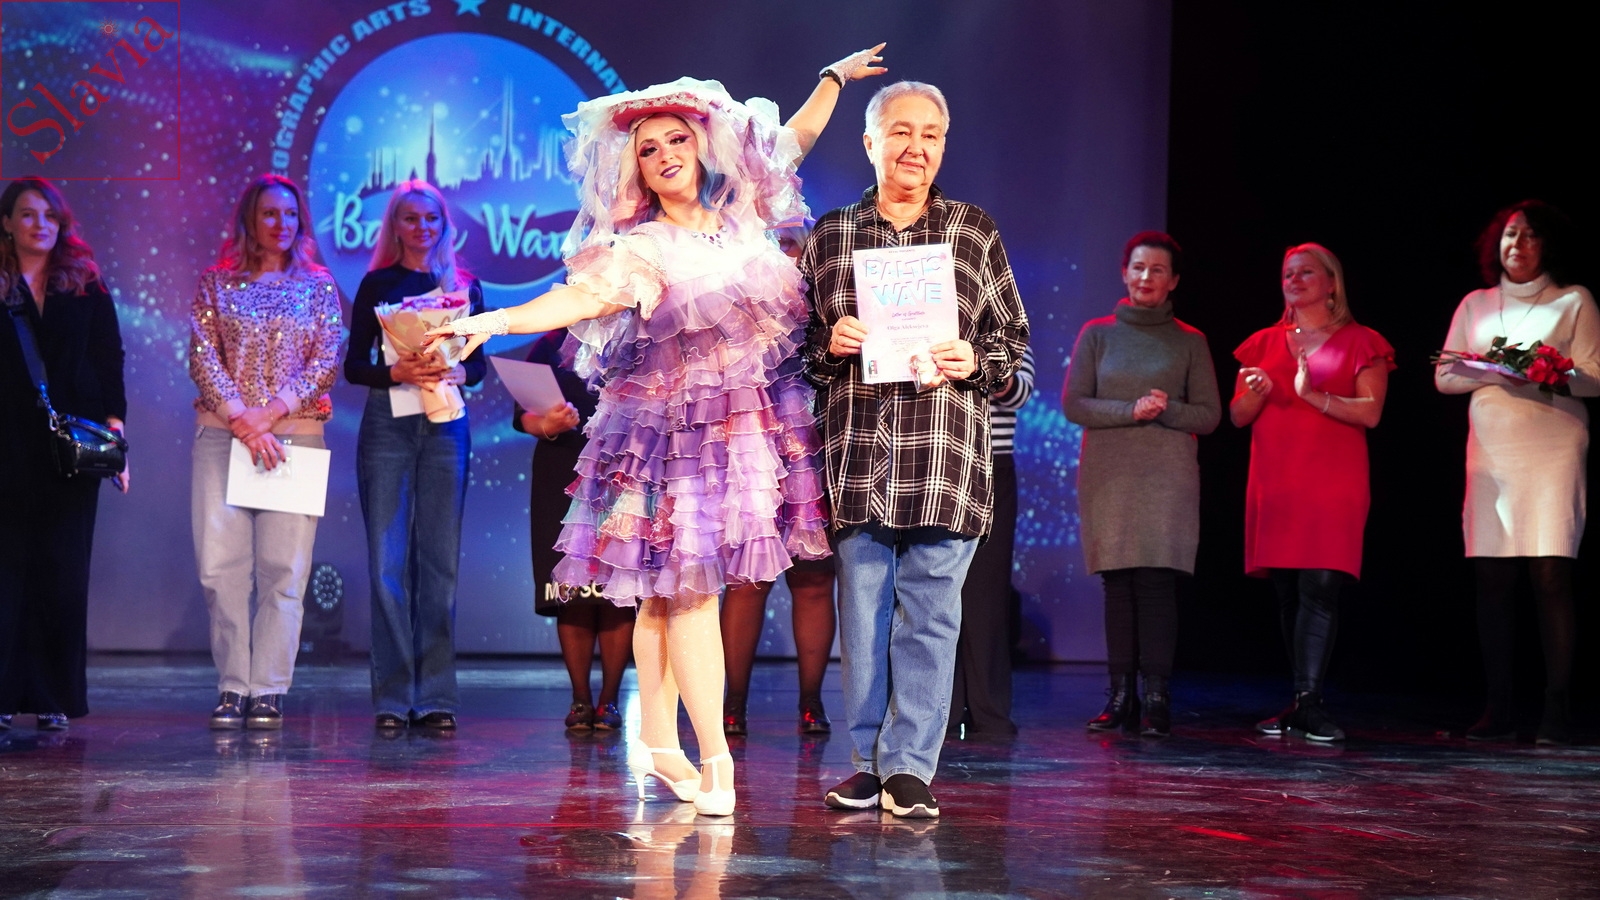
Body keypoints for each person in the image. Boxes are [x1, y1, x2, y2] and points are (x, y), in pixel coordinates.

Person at [429, 48, 887, 816]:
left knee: (665, 598)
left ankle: (658, 737)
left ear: (702, 145)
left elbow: (794, 140)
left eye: (677, 139)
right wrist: (494, 321)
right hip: (665, 442)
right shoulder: (643, 247)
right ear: (635, 169)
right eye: (648, 149)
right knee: (685, 593)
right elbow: (576, 300)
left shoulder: (742, 216)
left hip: (741, 433)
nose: (666, 154)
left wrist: (831, 79)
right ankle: (716, 763)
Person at [802, 81, 1029, 818]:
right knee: (864, 618)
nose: (916, 147)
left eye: (931, 134)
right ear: (870, 143)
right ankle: (866, 765)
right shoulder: (831, 235)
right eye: (901, 131)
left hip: (944, 457)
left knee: (932, 617)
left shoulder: (972, 231)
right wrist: (830, 344)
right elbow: (796, 353)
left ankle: (910, 770)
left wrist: (977, 360)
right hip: (860, 456)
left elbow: (1015, 348)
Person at [1434, 200, 1599, 745]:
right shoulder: (1476, 304)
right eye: (1510, 235)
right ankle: (1498, 708)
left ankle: (1556, 709)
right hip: (1492, 454)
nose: (1518, 245)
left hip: (1553, 446)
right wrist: (1499, 373)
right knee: (1492, 579)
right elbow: (1445, 377)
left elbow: (1595, 378)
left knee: (1550, 575)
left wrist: (1546, 374)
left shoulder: (1574, 300)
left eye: (1530, 236)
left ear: (1547, 245)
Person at [189, 174, 342, 731]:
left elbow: (326, 358)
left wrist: (269, 414)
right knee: (220, 569)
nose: (281, 223)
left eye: (290, 214)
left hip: (295, 436)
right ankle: (233, 685)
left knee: (285, 569)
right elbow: (203, 355)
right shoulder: (217, 282)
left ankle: (269, 688)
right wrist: (244, 420)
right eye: (270, 213)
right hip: (222, 436)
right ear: (249, 220)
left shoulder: (318, 285)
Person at [1231, 242, 1392, 743]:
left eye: (1305, 272)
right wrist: (1256, 394)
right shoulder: (1262, 343)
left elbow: (1370, 412)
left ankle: (1310, 702)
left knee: (1320, 586)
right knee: (1287, 590)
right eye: (1288, 273)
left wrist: (1312, 396)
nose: (1294, 280)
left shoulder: (1362, 341)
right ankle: (1301, 700)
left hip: (1332, 481)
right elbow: (1237, 416)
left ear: (1331, 283)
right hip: (1276, 480)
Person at [1064, 232, 1219, 738]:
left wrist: (1166, 409)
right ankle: (1120, 696)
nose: (1146, 277)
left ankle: (1156, 697)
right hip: (1109, 474)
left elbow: (1209, 415)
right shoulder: (1097, 334)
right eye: (1138, 267)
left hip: (1167, 476)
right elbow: (1075, 404)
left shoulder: (1190, 340)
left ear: (1173, 281)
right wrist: (1131, 409)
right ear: (1124, 273)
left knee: (1155, 581)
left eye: (1157, 270)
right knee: (1118, 581)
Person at [344, 180, 485, 731]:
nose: (422, 228)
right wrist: (394, 371)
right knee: (387, 563)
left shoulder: (464, 286)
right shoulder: (377, 284)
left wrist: (461, 371)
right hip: (388, 425)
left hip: (446, 425)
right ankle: (392, 696)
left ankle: (436, 697)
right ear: (395, 226)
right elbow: (354, 365)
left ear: (444, 225)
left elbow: (479, 365)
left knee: (439, 565)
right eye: (410, 218)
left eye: (431, 219)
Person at [0, 177, 126, 732]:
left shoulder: (85, 283)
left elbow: (108, 357)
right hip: (6, 443)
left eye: (49, 216)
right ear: (6, 223)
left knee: (63, 573)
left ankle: (53, 694)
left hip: (69, 446)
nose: (40, 225)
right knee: (7, 573)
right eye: (28, 215)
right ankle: (4, 694)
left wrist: (115, 433)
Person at [513, 327, 634, 733]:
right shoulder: (551, 343)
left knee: (617, 591)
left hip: (624, 468)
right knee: (573, 594)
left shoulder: (637, 335)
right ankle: (581, 699)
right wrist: (547, 423)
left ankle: (609, 701)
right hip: (561, 471)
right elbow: (522, 417)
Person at [948, 345, 1034, 739]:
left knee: (986, 592)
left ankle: (989, 711)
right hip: (938, 460)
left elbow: (1020, 393)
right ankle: (941, 712)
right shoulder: (923, 320)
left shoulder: (1007, 330)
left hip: (992, 461)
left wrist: (980, 364)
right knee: (934, 590)